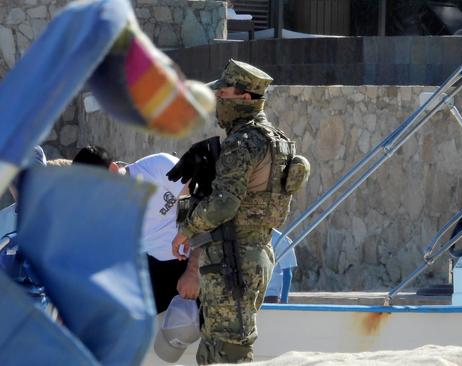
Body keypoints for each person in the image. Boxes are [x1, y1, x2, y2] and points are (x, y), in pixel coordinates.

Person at [171, 60, 307, 364]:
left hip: (233, 258)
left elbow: (225, 204)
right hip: (255, 252)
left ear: (246, 98)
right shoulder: (278, 140)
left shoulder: (243, 142)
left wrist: (186, 228)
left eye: (223, 95)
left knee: (227, 352)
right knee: (222, 344)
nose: (217, 101)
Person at [72, 146, 198, 312]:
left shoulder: (157, 167)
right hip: (161, 268)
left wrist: (193, 270)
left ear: (113, 169)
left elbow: (207, 205)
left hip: (200, 255)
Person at [264, 229, 297, 304]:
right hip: (252, 292)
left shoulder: (282, 239)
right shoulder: (251, 236)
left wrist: (284, 300)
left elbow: (287, 273)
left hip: (270, 295)